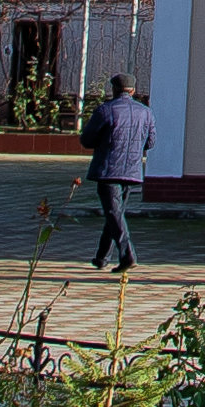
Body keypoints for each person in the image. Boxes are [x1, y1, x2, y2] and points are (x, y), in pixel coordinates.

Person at [79, 74, 154, 273]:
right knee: (115, 213)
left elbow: (86, 140)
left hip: (108, 170)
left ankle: (128, 255)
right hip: (132, 170)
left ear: (113, 90)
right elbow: (150, 143)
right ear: (133, 91)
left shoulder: (105, 110)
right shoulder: (146, 113)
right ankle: (102, 257)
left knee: (114, 214)